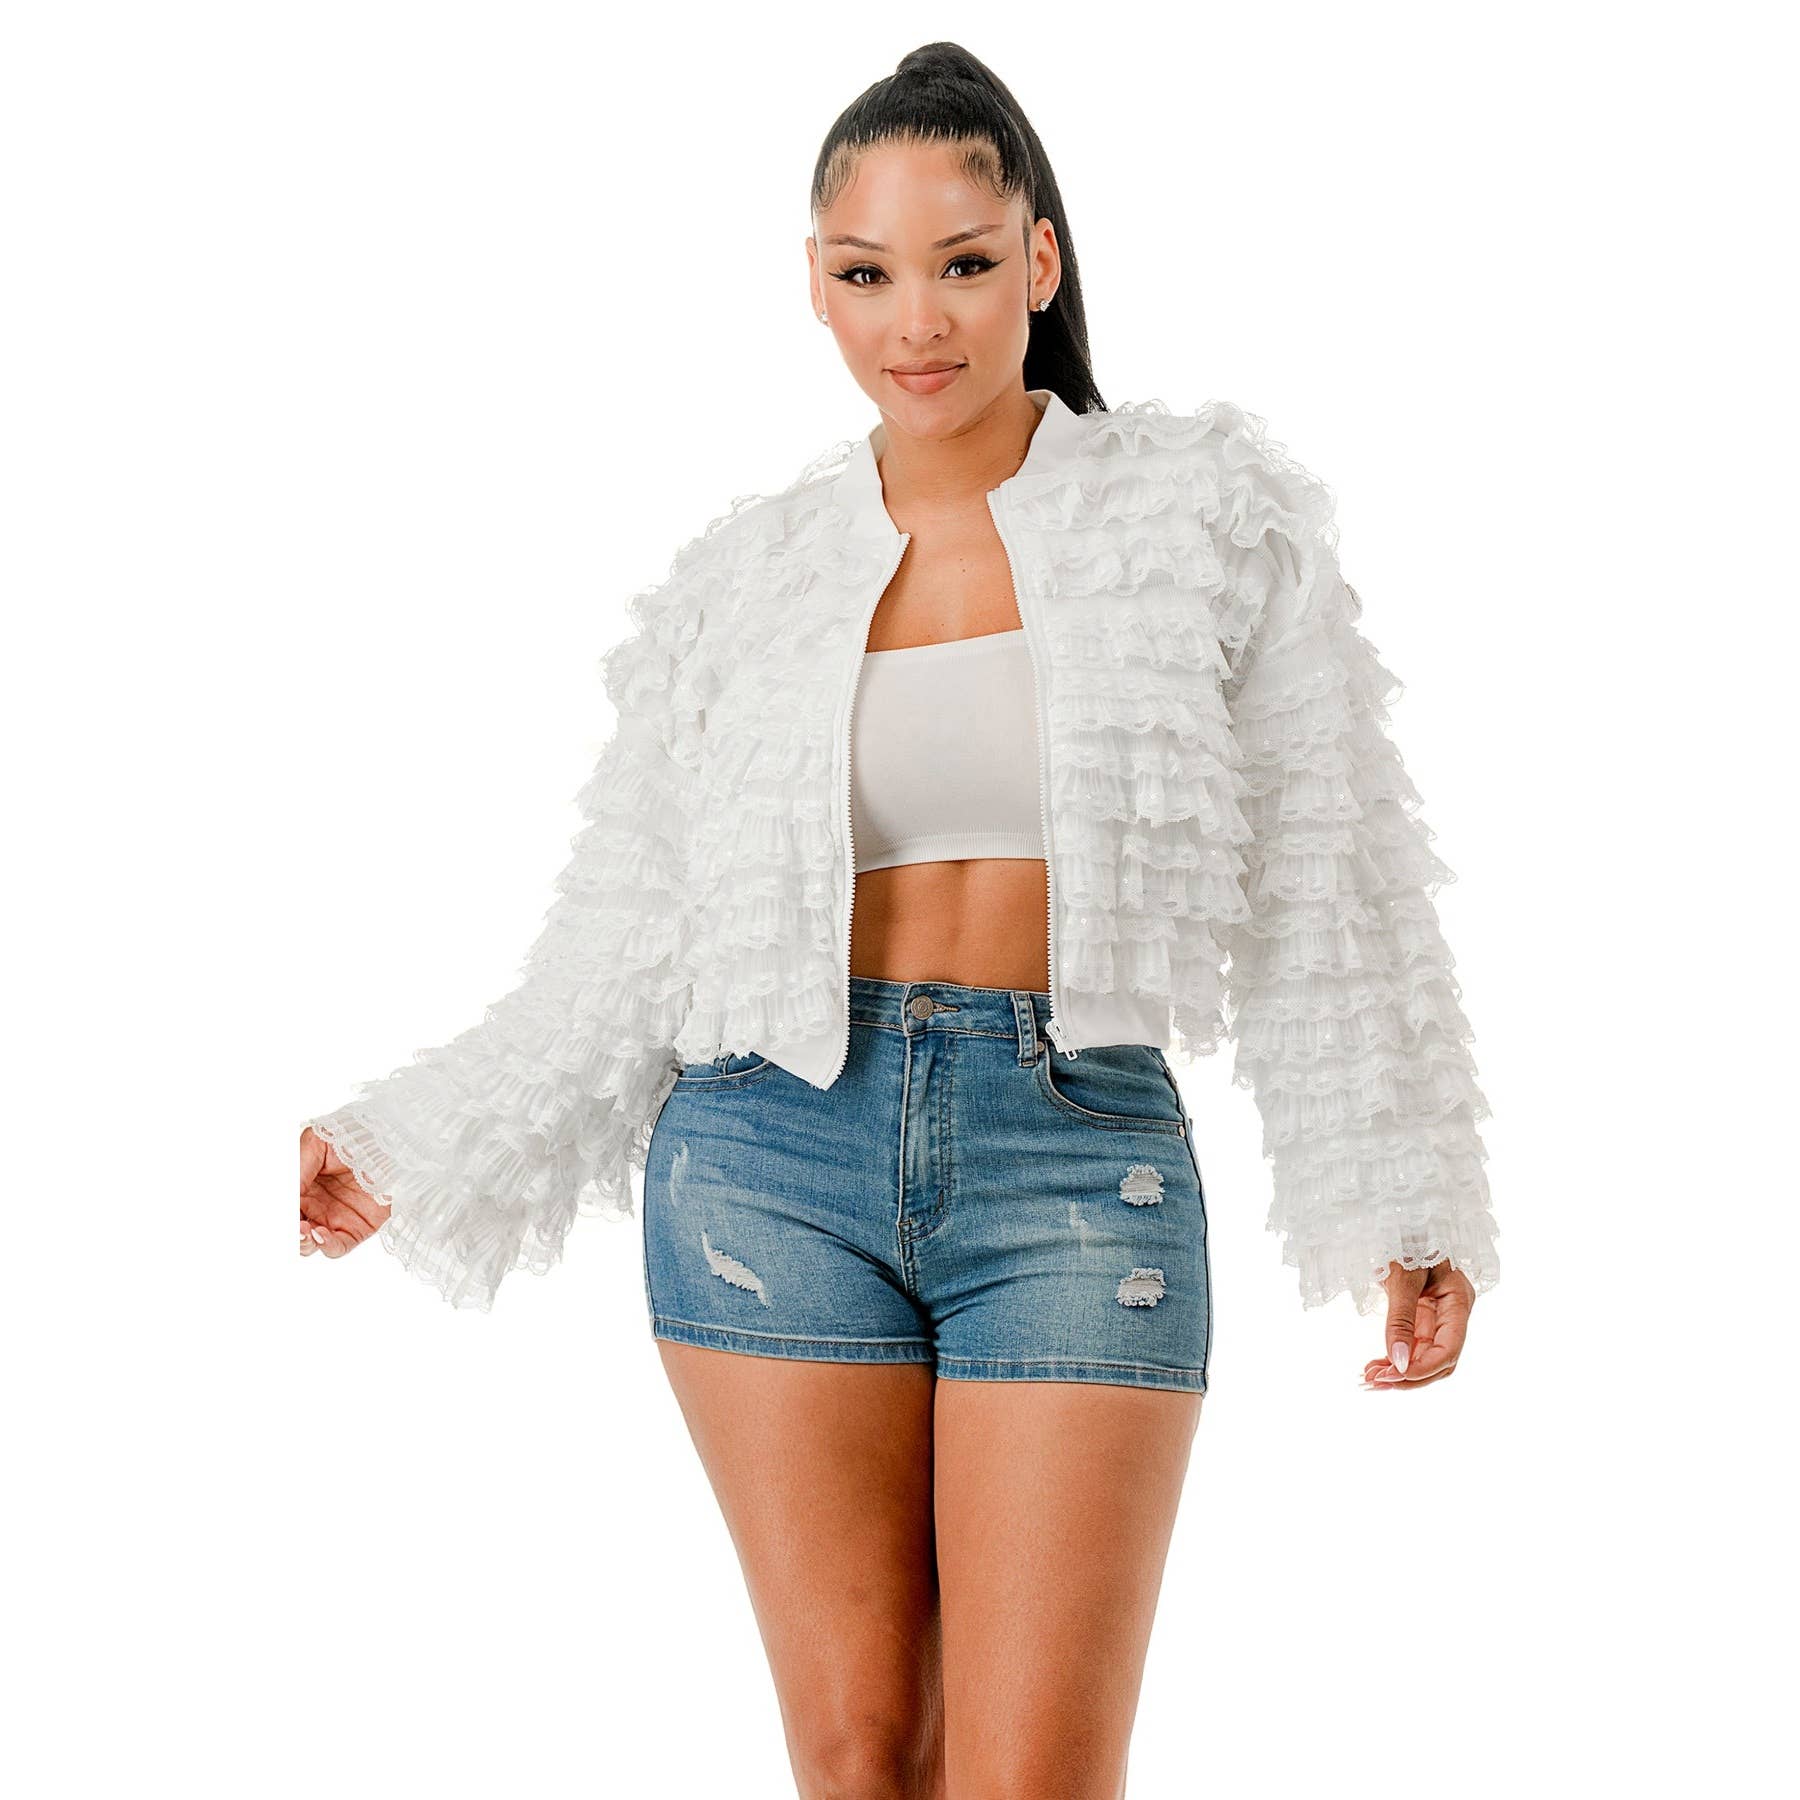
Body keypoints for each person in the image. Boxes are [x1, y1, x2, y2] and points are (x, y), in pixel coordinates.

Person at [300, 41, 1498, 1797]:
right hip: (765, 1156)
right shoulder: (745, 582)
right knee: (862, 1759)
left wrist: (1406, 1194)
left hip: (1073, 1158)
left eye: (962, 262)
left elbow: (1340, 871)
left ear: (1040, 260)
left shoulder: (1201, 524)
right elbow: (625, 941)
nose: (915, 320)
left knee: (1033, 1777)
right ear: (815, 285)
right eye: (866, 274)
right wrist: (398, 1143)